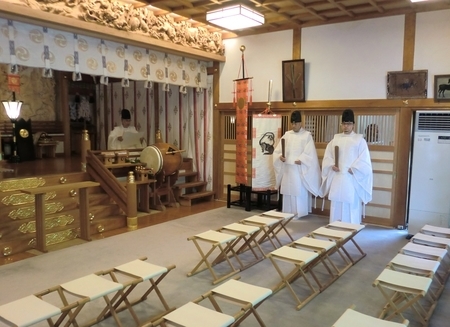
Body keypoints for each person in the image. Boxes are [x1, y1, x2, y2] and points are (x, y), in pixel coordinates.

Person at [320, 109, 373, 224]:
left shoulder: (359, 140)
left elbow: (364, 159)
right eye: (344, 124)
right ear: (341, 124)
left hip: (351, 177)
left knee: (351, 201)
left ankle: (351, 227)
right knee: (337, 201)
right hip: (337, 176)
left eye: (349, 124)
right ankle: (335, 225)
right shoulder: (335, 139)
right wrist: (331, 165)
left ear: (353, 125)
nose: (346, 126)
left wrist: (355, 168)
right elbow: (328, 156)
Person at [272, 110, 321, 218]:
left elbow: (310, 153)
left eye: (296, 123)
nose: (294, 125)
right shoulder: (287, 135)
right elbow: (277, 151)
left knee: (298, 191)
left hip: (299, 169)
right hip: (287, 169)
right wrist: (280, 156)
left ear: (300, 123)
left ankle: (299, 212)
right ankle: (287, 212)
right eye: (292, 123)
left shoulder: (307, 136)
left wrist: (302, 159)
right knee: (288, 191)